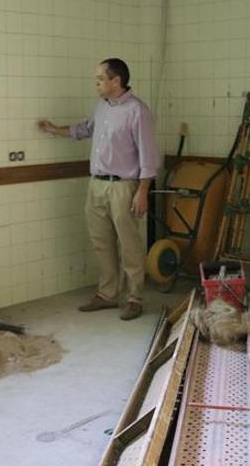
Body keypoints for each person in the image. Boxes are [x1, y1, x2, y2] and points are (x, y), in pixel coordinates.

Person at [38, 58, 161, 321]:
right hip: (97, 185)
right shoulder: (101, 107)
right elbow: (85, 129)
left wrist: (142, 192)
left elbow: (148, 156)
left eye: (100, 79)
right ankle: (107, 294)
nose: (96, 84)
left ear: (116, 81)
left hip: (123, 186)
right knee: (101, 242)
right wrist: (54, 130)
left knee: (129, 244)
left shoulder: (137, 111)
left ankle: (134, 298)